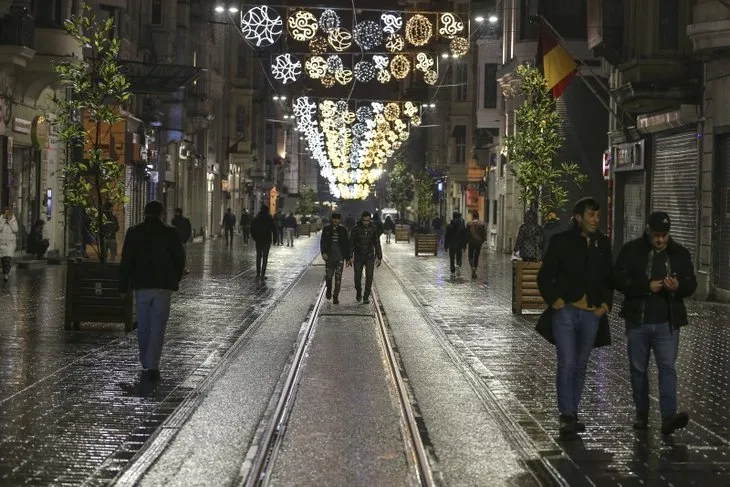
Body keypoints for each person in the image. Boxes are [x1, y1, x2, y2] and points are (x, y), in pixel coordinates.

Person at [536, 197, 613, 439]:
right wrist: (555, 301)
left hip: (591, 314)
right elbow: (545, 276)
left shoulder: (603, 243)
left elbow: (608, 277)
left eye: (598, 216)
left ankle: (573, 411)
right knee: (567, 363)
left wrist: (604, 305)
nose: (595, 220)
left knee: (580, 365)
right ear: (578, 217)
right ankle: (566, 415)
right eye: (591, 216)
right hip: (566, 312)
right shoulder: (561, 242)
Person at [613, 212, 696, 436]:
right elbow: (618, 279)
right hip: (638, 321)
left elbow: (691, 283)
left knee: (667, 368)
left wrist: (677, 286)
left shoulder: (679, 253)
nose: (660, 240)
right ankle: (642, 413)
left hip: (667, 323)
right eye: (657, 235)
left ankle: (668, 416)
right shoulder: (631, 251)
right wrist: (645, 286)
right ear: (648, 231)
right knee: (638, 370)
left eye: (664, 235)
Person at [118, 201, 185, 382]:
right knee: (158, 325)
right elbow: (179, 258)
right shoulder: (170, 232)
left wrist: (123, 286)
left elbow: (126, 260)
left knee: (143, 324)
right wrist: (176, 278)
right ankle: (153, 363)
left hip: (142, 284)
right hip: (163, 285)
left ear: (144, 212)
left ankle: (145, 359)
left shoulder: (134, 232)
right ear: (162, 213)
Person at [350, 211, 383, 304]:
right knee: (357, 278)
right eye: (364, 221)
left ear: (370, 220)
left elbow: (377, 243)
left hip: (369, 256)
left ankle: (366, 297)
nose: (366, 223)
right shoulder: (355, 229)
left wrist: (379, 257)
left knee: (369, 277)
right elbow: (351, 243)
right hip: (358, 256)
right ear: (361, 219)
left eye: (368, 221)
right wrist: (350, 256)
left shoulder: (373, 228)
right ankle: (359, 292)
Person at [320, 212, 352, 304]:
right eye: (334, 218)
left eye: (337, 219)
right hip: (329, 258)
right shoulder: (326, 229)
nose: (336, 220)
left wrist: (348, 258)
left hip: (340, 258)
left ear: (340, 220)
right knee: (329, 277)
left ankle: (336, 296)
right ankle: (329, 290)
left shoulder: (343, 230)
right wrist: (323, 253)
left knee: (338, 278)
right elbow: (323, 242)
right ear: (331, 219)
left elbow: (346, 244)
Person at [250, 205, 278, 280]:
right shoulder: (269, 219)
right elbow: (274, 229)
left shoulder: (256, 219)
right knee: (265, 257)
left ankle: (258, 274)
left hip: (259, 240)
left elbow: (251, 229)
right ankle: (262, 274)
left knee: (258, 257)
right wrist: (275, 239)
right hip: (267, 240)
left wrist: (255, 238)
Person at [444, 211, 467, 279]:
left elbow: (446, 236)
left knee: (452, 258)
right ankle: (458, 265)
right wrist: (464, 246)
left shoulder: (449, 226)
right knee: (459, 256)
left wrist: (445, 246)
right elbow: (464, 236)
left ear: (453, 216)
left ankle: (453, 272)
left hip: (451, 245)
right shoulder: (462, 226)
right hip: (459, 244)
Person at [466, 211, 487, 279]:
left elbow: (467, 233)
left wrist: (466, 241)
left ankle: (472, 267)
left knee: (470, 256)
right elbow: (484, 233)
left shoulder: (469, 224)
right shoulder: (482, 223)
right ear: (478, 216)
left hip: (471, 242)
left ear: (473, 216)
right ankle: (475, 267)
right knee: (476, 256)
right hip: (478, 242)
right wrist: (483, 240)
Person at [0, 206, 19, 282]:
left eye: (8, 211)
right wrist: (4, 220)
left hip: (11, 243)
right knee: (4, 260)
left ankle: (6, 274)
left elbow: (15, 229)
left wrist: (10, 221)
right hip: (2, 242)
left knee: (8, 259)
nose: (7, 213)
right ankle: (5, 272)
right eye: (6, 211)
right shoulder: (1, 218)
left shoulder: (13, 219)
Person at [171, 208, 192, 274]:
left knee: (182, 254)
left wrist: (189, 236)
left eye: (176, 212)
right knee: (182, 254)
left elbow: (188, 229)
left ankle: (182, 268)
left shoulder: (175, 220)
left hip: (180, 240)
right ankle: (181, 268)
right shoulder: (182, 220)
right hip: (180, 240)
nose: (175, 213)